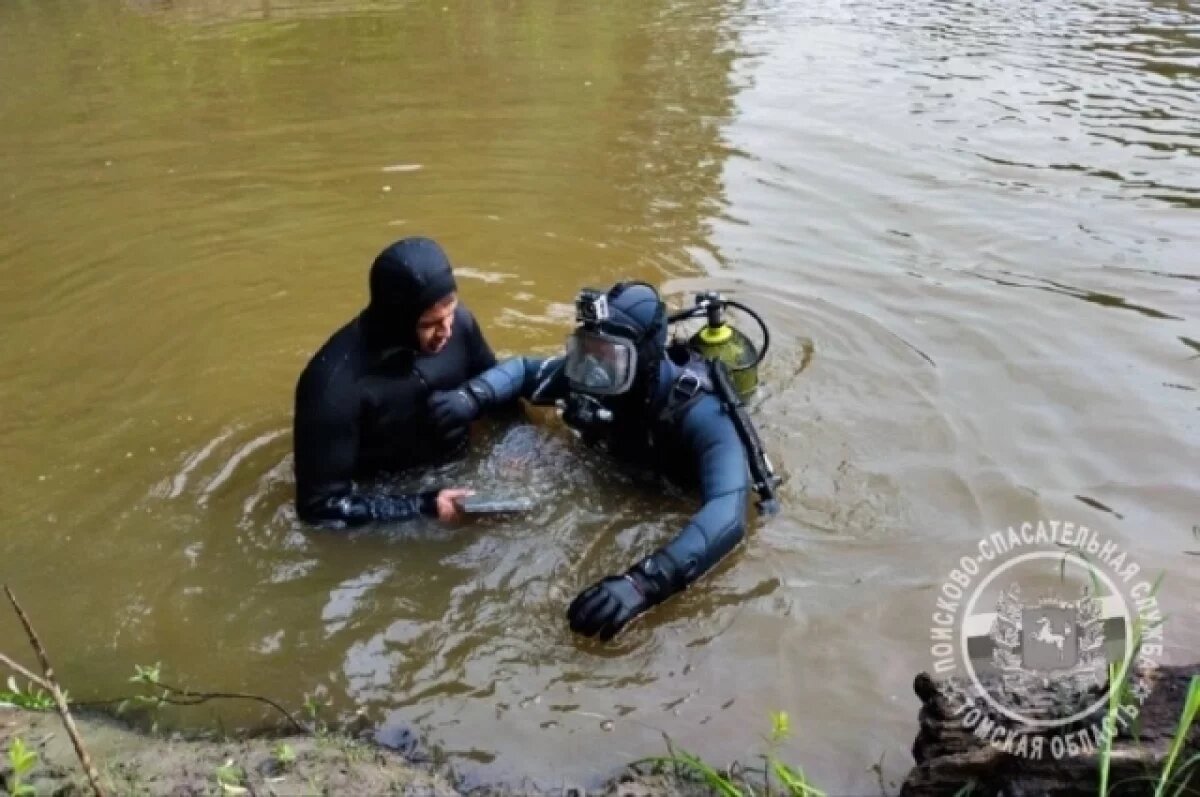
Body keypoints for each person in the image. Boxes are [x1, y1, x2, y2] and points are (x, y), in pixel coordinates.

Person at [427, 281, 755, 640]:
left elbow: (728, 513)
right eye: (587, 350)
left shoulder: (702, 413)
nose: (593, 368)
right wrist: (472, 396)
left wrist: (643, 584)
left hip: (669, 489)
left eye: (608, 355)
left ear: (644, 354)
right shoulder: (590, 370)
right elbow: (523, 371)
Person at [293, 237, 497, 527]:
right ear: (397, 320)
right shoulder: (331, 386)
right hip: (390, 494)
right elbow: (319, 508)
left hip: (464, 470)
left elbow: (501, 392)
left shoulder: (461, 325)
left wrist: (514, 448)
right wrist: (424, 507)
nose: (446, 331)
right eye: (429, 324)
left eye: (450, 313)